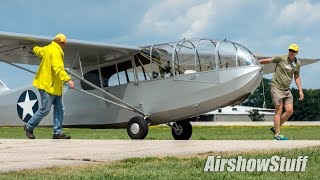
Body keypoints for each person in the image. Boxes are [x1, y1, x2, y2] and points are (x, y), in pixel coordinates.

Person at [24, 33, 74, 139]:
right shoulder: (56, 51)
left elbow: (39, 51)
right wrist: (68, 79)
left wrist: (33, 47)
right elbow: (58, 68)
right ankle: (29, 126)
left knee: (59, 109)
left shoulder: (48, 48)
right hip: (47, 86)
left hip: (56, 87)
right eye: (63, 43)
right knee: (45, 109)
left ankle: (57, 132)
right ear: (61, 43)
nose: (64, 45)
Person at [259, 43, 304, 140]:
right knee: (279, 109)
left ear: (296, 52)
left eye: (293, 51)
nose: (291, 52)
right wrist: (257, 62)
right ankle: (277, 134)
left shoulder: (297, 63)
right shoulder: (281, 58)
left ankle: (275, 128)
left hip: (286, 89)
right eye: (290, 50)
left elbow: (296, 77)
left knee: (289, 111)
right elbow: (269, 60)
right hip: (276, 87)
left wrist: (300, 90)